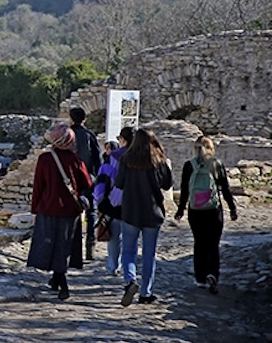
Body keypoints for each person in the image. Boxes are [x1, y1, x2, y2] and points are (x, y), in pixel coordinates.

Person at [27, 124, 93, 300]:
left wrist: (34, 210)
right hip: (70, 211)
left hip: (48, 209)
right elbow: (87, 185)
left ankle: (63, 284)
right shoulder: (76, 160)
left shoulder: (45, 159)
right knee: (63, 246)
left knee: (49, 245)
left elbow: (38, 188)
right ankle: (56, 279)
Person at [115, 128, 173, 306]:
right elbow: (167, 183)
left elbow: (119, 183)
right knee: (149, 253)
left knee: (128, 250)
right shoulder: (159, 160)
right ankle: (146, 292)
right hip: (152, 211)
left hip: (131, 211)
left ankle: (130, 281)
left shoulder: (127, 159)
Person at [174, 135, 238, 294]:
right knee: (213, 244)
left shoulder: (189, 165)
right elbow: (225, 189)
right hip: (213, 210)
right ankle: (212, 273)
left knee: (199, 243)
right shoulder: (217, 164)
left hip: (195, 211)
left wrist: (180, 209)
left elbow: (184, 190)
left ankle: (200, 278)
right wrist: (232, 209)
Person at [93, 127, 134, 277]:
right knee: (130, 239)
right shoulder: (141, 156)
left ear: (122, 140)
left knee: (114, 237)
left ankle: (112, 266)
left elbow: (103, 178)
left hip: (114, 201)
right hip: (135, 203)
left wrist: (100, 200)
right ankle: (129, 269)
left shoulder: (114, 157)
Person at [69, 107, 102, 262]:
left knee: (70, 213)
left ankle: (70, 246)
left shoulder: (67, 135)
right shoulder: (89, 135)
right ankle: (90, 247)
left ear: (71, 118)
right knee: (91, 213)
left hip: (70, 179)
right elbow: (97, 159)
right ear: (85, 119)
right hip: (88, 177)